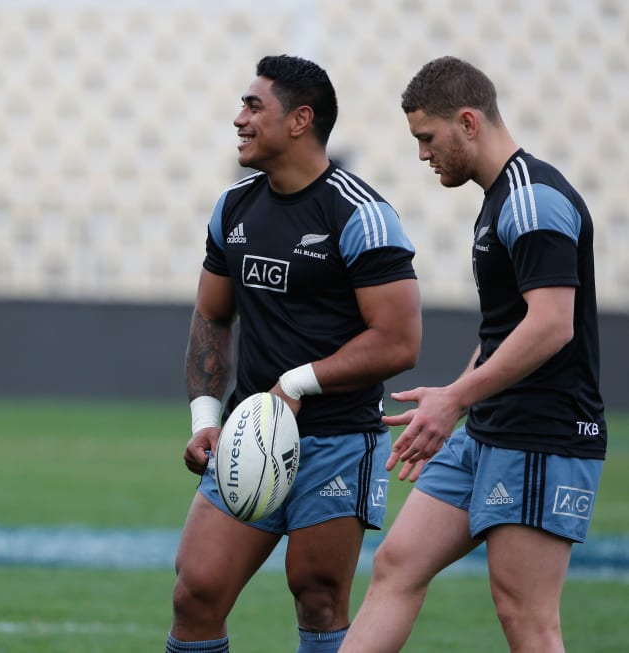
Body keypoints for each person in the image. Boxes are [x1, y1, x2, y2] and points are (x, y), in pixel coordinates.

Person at [339, 56, 607, 653]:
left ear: (468, 122)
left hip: (543, 434)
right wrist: (453, 405)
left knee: (524, 615)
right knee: (397, 564)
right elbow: (502, 331)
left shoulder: (533, 198)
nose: (422, 155)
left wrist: (455, 398)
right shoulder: (497, 200)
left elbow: (551, 325)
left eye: (427, 139)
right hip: (488, 428)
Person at [167, 55, 421, 653]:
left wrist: (298, 383)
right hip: (248, 434)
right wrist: (206, 419)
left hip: (337, 440)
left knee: (317, 593)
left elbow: (398, 340)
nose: (239, 119)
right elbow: (211, 316)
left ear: (300, 120)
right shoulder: (234, 207)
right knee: (196, 590)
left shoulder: (362, 214)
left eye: (254, 107)